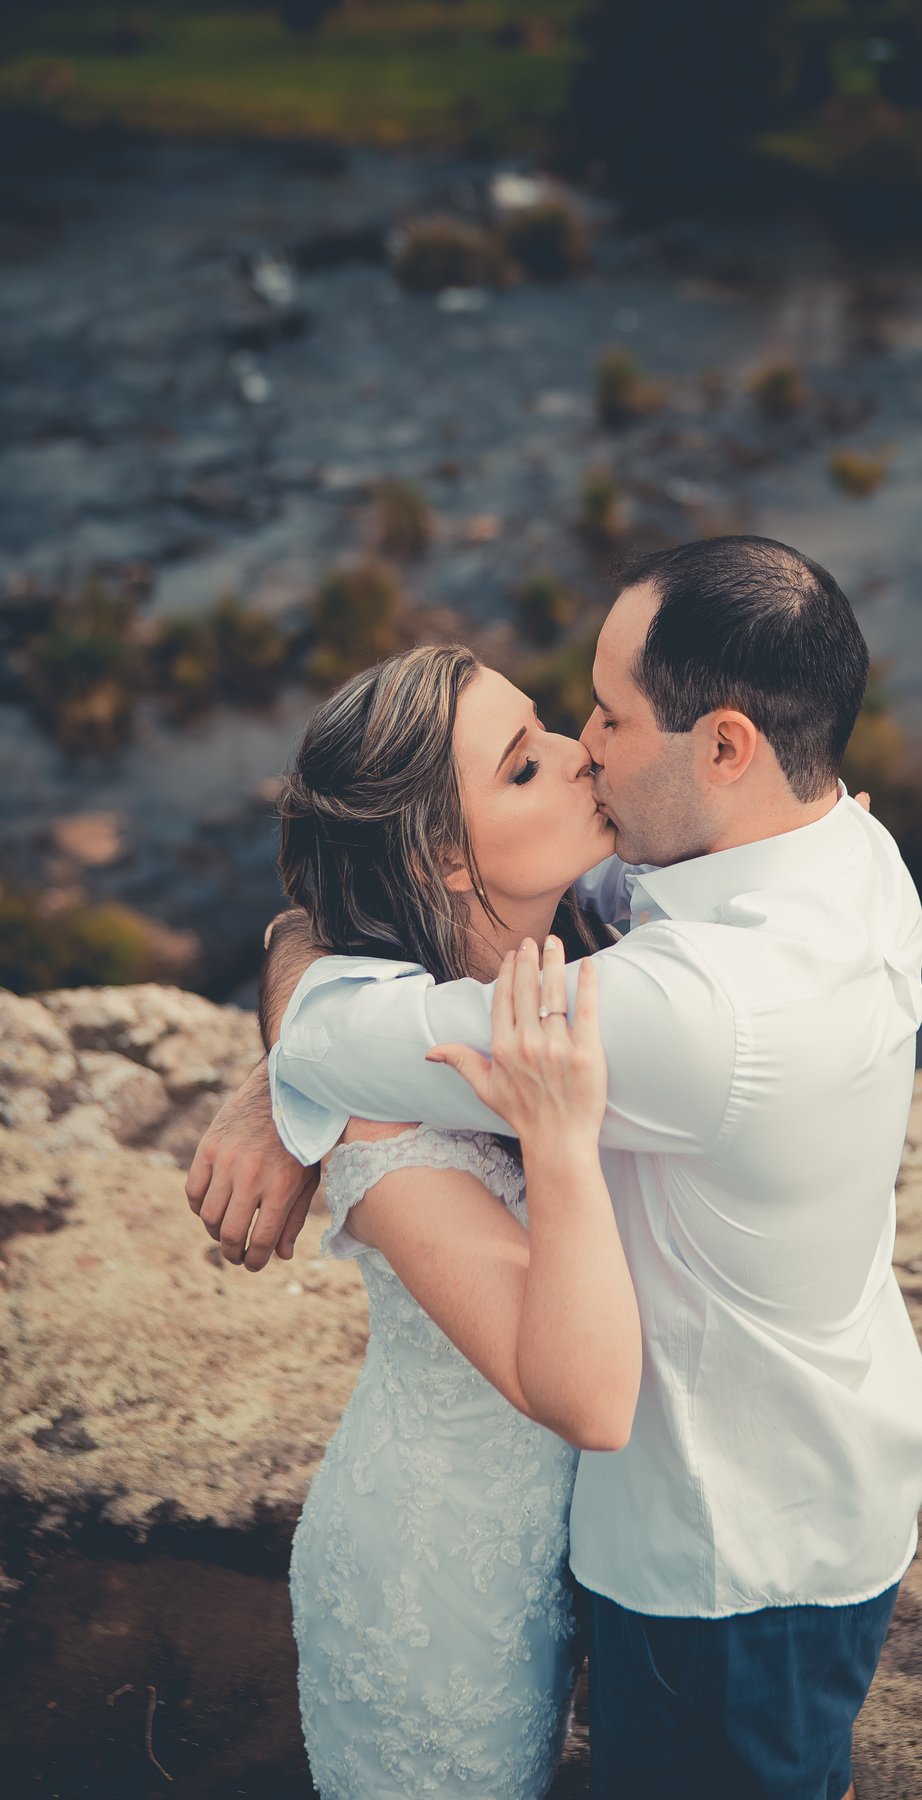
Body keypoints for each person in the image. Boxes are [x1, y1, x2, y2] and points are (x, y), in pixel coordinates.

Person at [189, 536, 922, 1800]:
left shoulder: (677, 1009)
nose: (587, 746)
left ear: (726, 748)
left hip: (722, 1548)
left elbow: (340, 1033)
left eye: (600, 717)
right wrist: (297, 1041)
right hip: (515, 1569)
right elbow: (366, 1020)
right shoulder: (832, 852)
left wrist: (285, 1060)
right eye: (542, 739)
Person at [259, 646, 642, 1799]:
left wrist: (268, 1066)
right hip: (438, 1590)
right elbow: (580, 1394)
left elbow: (299, 938)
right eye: (527, 767)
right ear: (443, 858)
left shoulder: (594, 929)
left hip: (598, 1556)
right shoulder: (383, 1113)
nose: (585, 756)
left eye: (550, 728)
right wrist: (563, 1140)